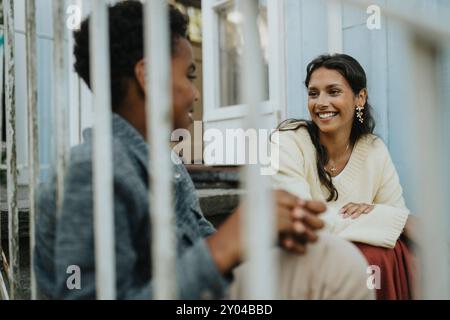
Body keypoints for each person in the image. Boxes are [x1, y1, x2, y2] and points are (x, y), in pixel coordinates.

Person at [34, 2, 372, 300]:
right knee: (337, 268)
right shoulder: (92, 172)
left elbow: (201, 242)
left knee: (330, 258)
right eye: (189, 75)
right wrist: (224, 245)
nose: (196, 94)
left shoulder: (163, 161)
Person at [271, 53, 415, 299]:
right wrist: (391, 219)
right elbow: (302, 223)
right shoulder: (287, 141)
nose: (321, 103)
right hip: (301, 265)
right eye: (313, 93)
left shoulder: (373, 149)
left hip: (361, 272)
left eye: (333, 92)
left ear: (360, 98)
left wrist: (384, 216)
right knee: (374, 255)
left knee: (399, 253)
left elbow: (394, 215)